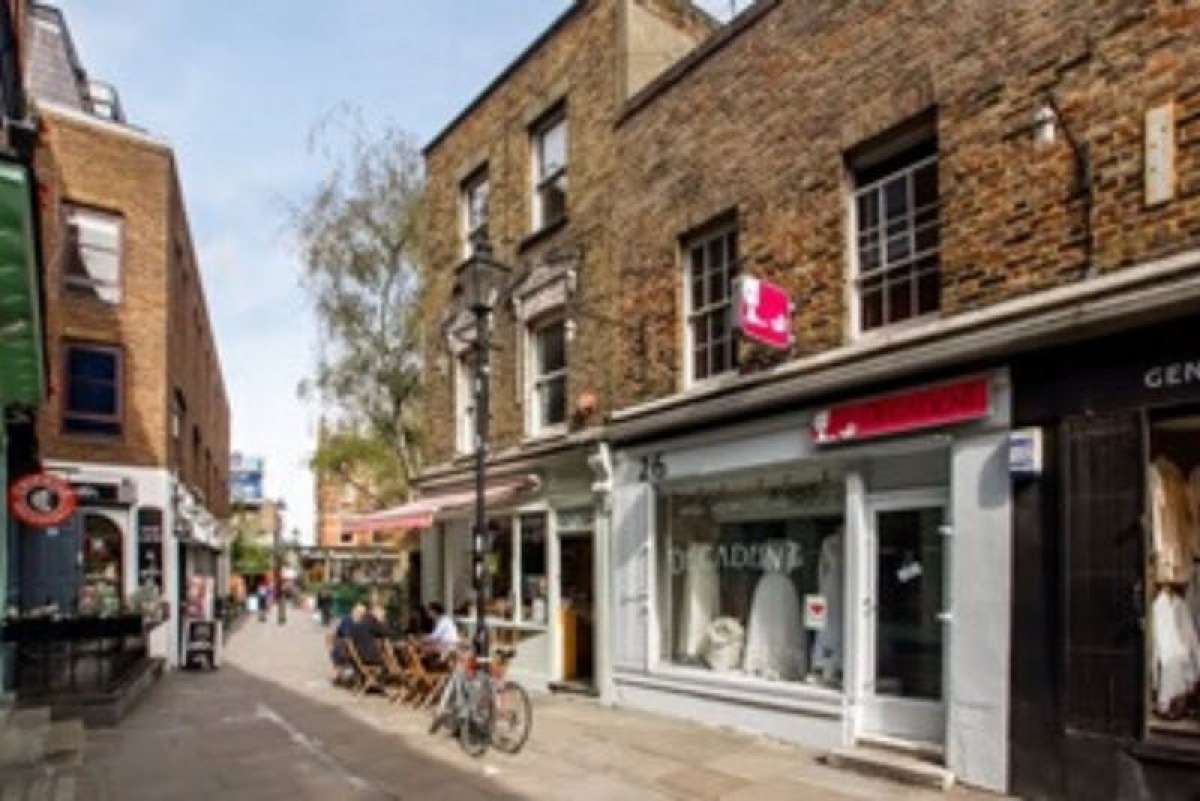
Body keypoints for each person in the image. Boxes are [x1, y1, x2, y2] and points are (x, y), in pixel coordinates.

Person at [348, 603, 392, 667]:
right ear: (375, 611)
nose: (384, 614)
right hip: (371, 658)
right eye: (382, 612)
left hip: (362, 658)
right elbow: (387, 633)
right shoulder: (371, 621)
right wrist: (381, 620)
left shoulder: (358, 624)